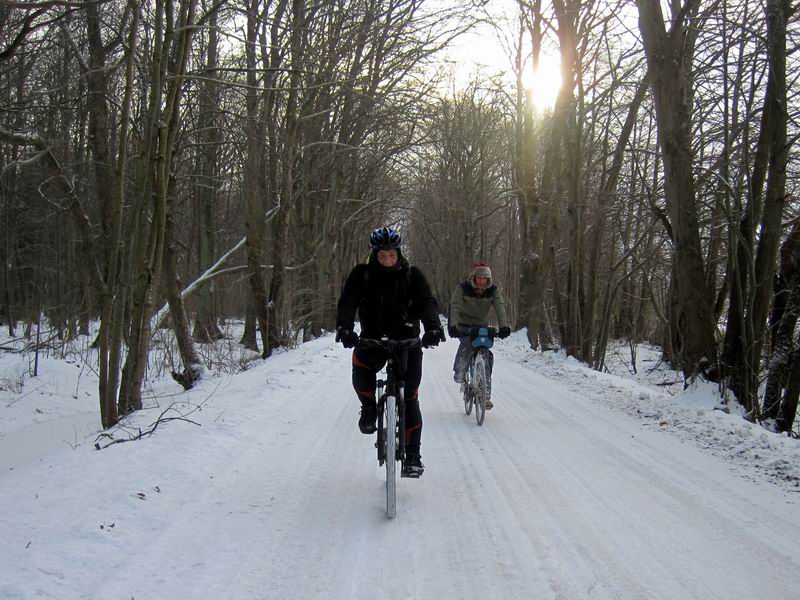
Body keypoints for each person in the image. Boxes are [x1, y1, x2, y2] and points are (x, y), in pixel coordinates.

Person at [335, 226, 442, 478]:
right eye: (382, 255)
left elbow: (427, 301)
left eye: (392, 254)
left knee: (410, 396)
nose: (387, 259)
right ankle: (369, 408)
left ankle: (413, 455)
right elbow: (348, 300)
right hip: (373, 338)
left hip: (407, 341)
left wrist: (433, 328)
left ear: (399, 253)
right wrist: (345, 327)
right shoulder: (362, 274)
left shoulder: (412, 275)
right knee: (361, 365)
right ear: (374, 254)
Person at [448, 262, 511, 409]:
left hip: (481, 326)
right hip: (464, 325)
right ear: (474, 277)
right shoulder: (462, 288)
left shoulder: (493, 290)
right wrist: (453, 326)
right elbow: (455, 306)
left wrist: (504, 326)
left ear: (488, 279)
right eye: (479, 277)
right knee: (467, 346)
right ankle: (460, 372)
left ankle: (485, 396)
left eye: (485, 278)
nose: (481, 281)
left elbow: (500, 307)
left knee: (486, 355)